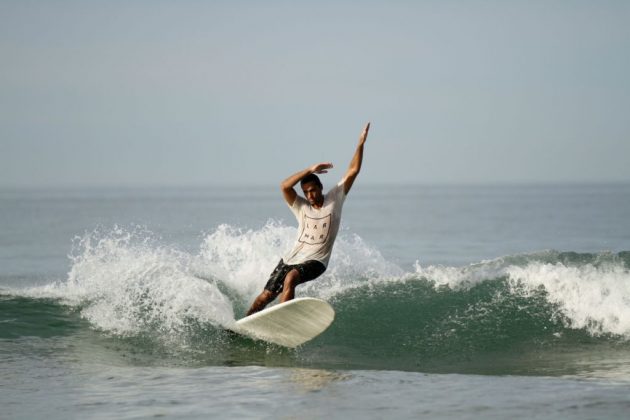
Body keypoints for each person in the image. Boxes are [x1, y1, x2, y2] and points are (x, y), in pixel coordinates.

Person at [246, 122, 371, 316]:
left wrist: (360, 144)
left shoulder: (335, 199)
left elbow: (353, 170)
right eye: (306, 192)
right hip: (291, 258)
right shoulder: (301, 207)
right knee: (265, 296)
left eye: (313, 190)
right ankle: (245, 324)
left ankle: (282, 318)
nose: (310, 195)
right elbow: (285, 186)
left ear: (320, 188)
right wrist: (309, 169)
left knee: (291, 277)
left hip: (317, 261)